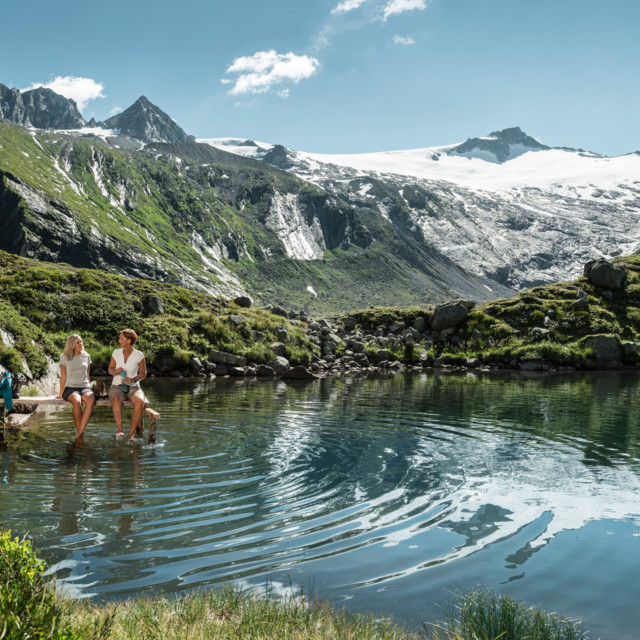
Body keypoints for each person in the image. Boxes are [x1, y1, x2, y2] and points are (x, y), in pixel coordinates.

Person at [107, 329, 147, 440]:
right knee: (116, 398)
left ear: (129, 340)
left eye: (121, 338)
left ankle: (131, 435)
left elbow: (143, 373)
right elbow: (110, 369)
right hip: (116, 386)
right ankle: (120, 432)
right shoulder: (116, 352)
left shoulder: (139, 355)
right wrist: (116, 371)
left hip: (133, 386)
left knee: (139, 401)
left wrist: (132, 379)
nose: (119, 340)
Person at [57, 334, 95, 440]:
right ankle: (80, 432)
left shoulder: (86, 356)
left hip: (85, 387)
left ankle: (80, 432)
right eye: (77, 342)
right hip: (70, 388)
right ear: (72, 344)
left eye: (81, 342)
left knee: (90, 401)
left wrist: (89, 387)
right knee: (77, 401)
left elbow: (87, 374)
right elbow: (63, 376)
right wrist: (60, 393)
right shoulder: (64, 357)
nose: (81, 344)